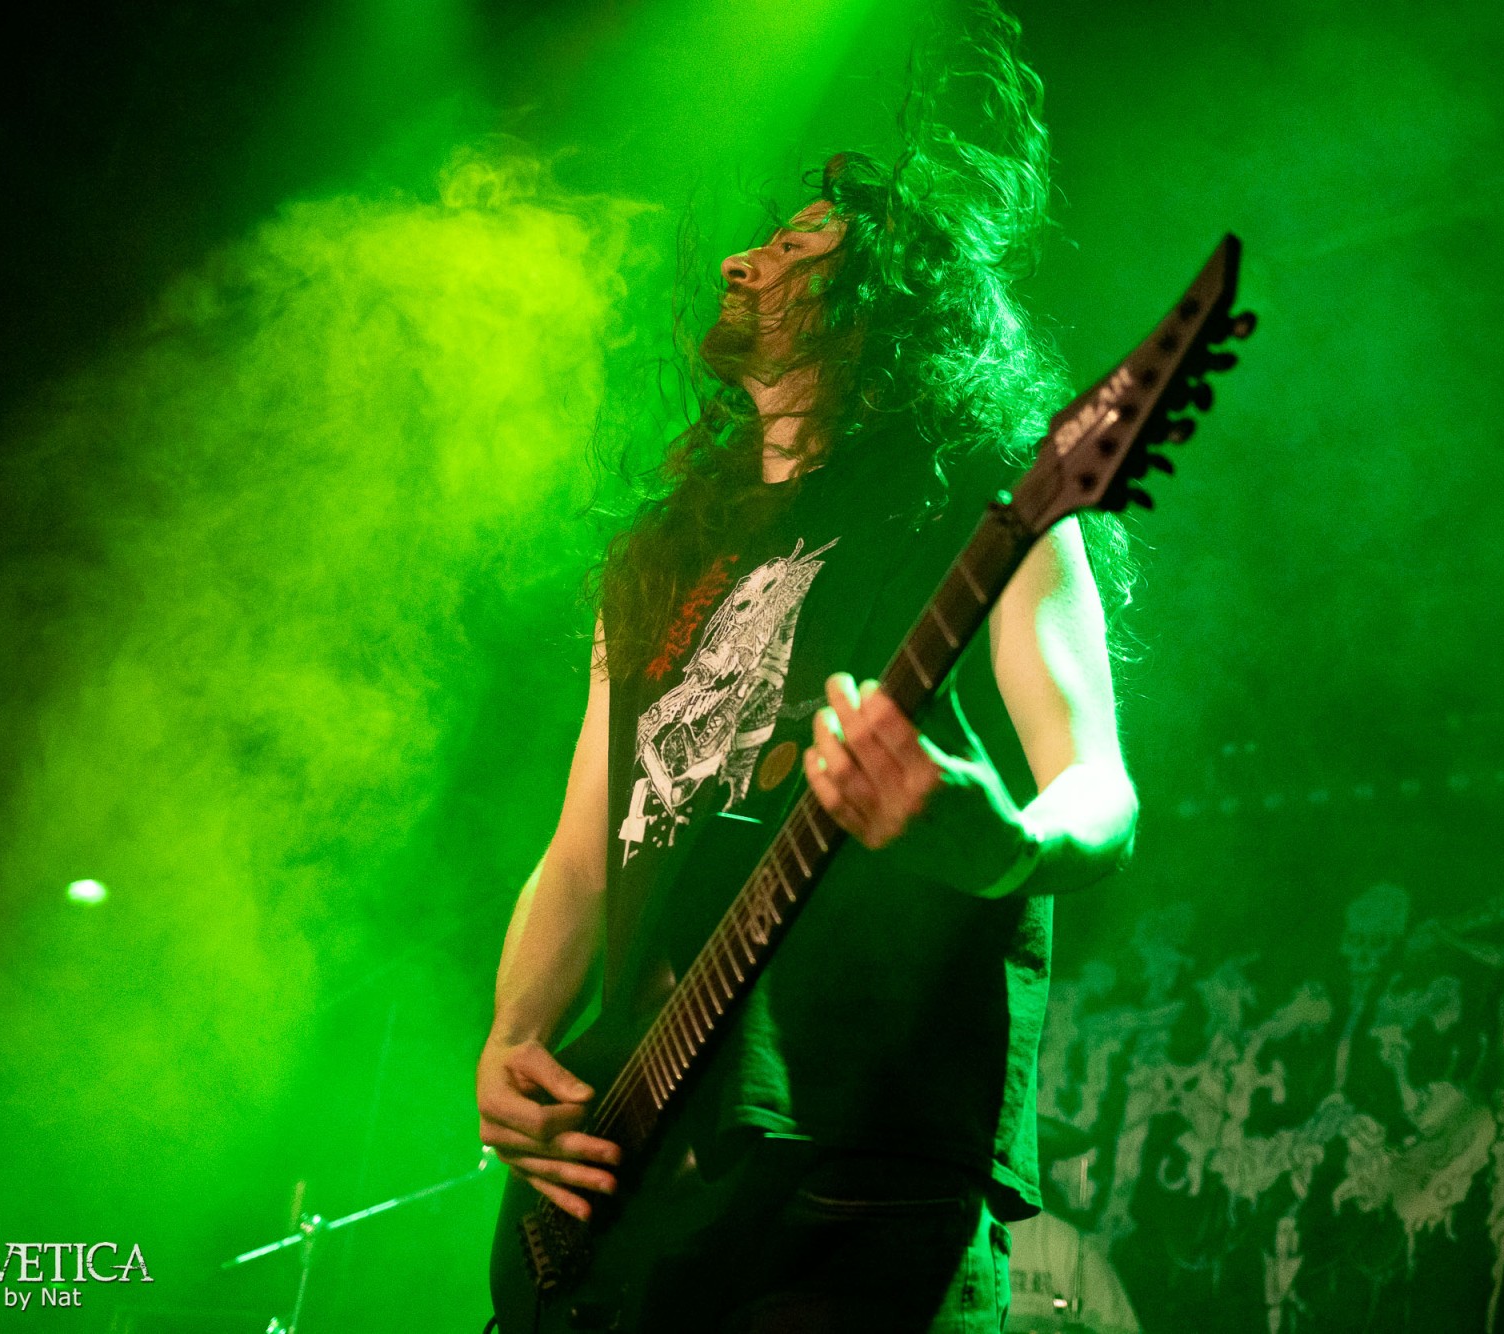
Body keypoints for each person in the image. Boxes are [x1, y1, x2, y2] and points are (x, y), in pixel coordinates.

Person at [477, 8, 1138, 1328]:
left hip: (860, 1179)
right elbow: (584, 848)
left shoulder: (988, 498)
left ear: (887, 293)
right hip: (637, 1175)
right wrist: (513, 1041)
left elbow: (1103, 791)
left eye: (793, 247)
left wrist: (1000, 841)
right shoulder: (662, 550)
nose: (742, 259)